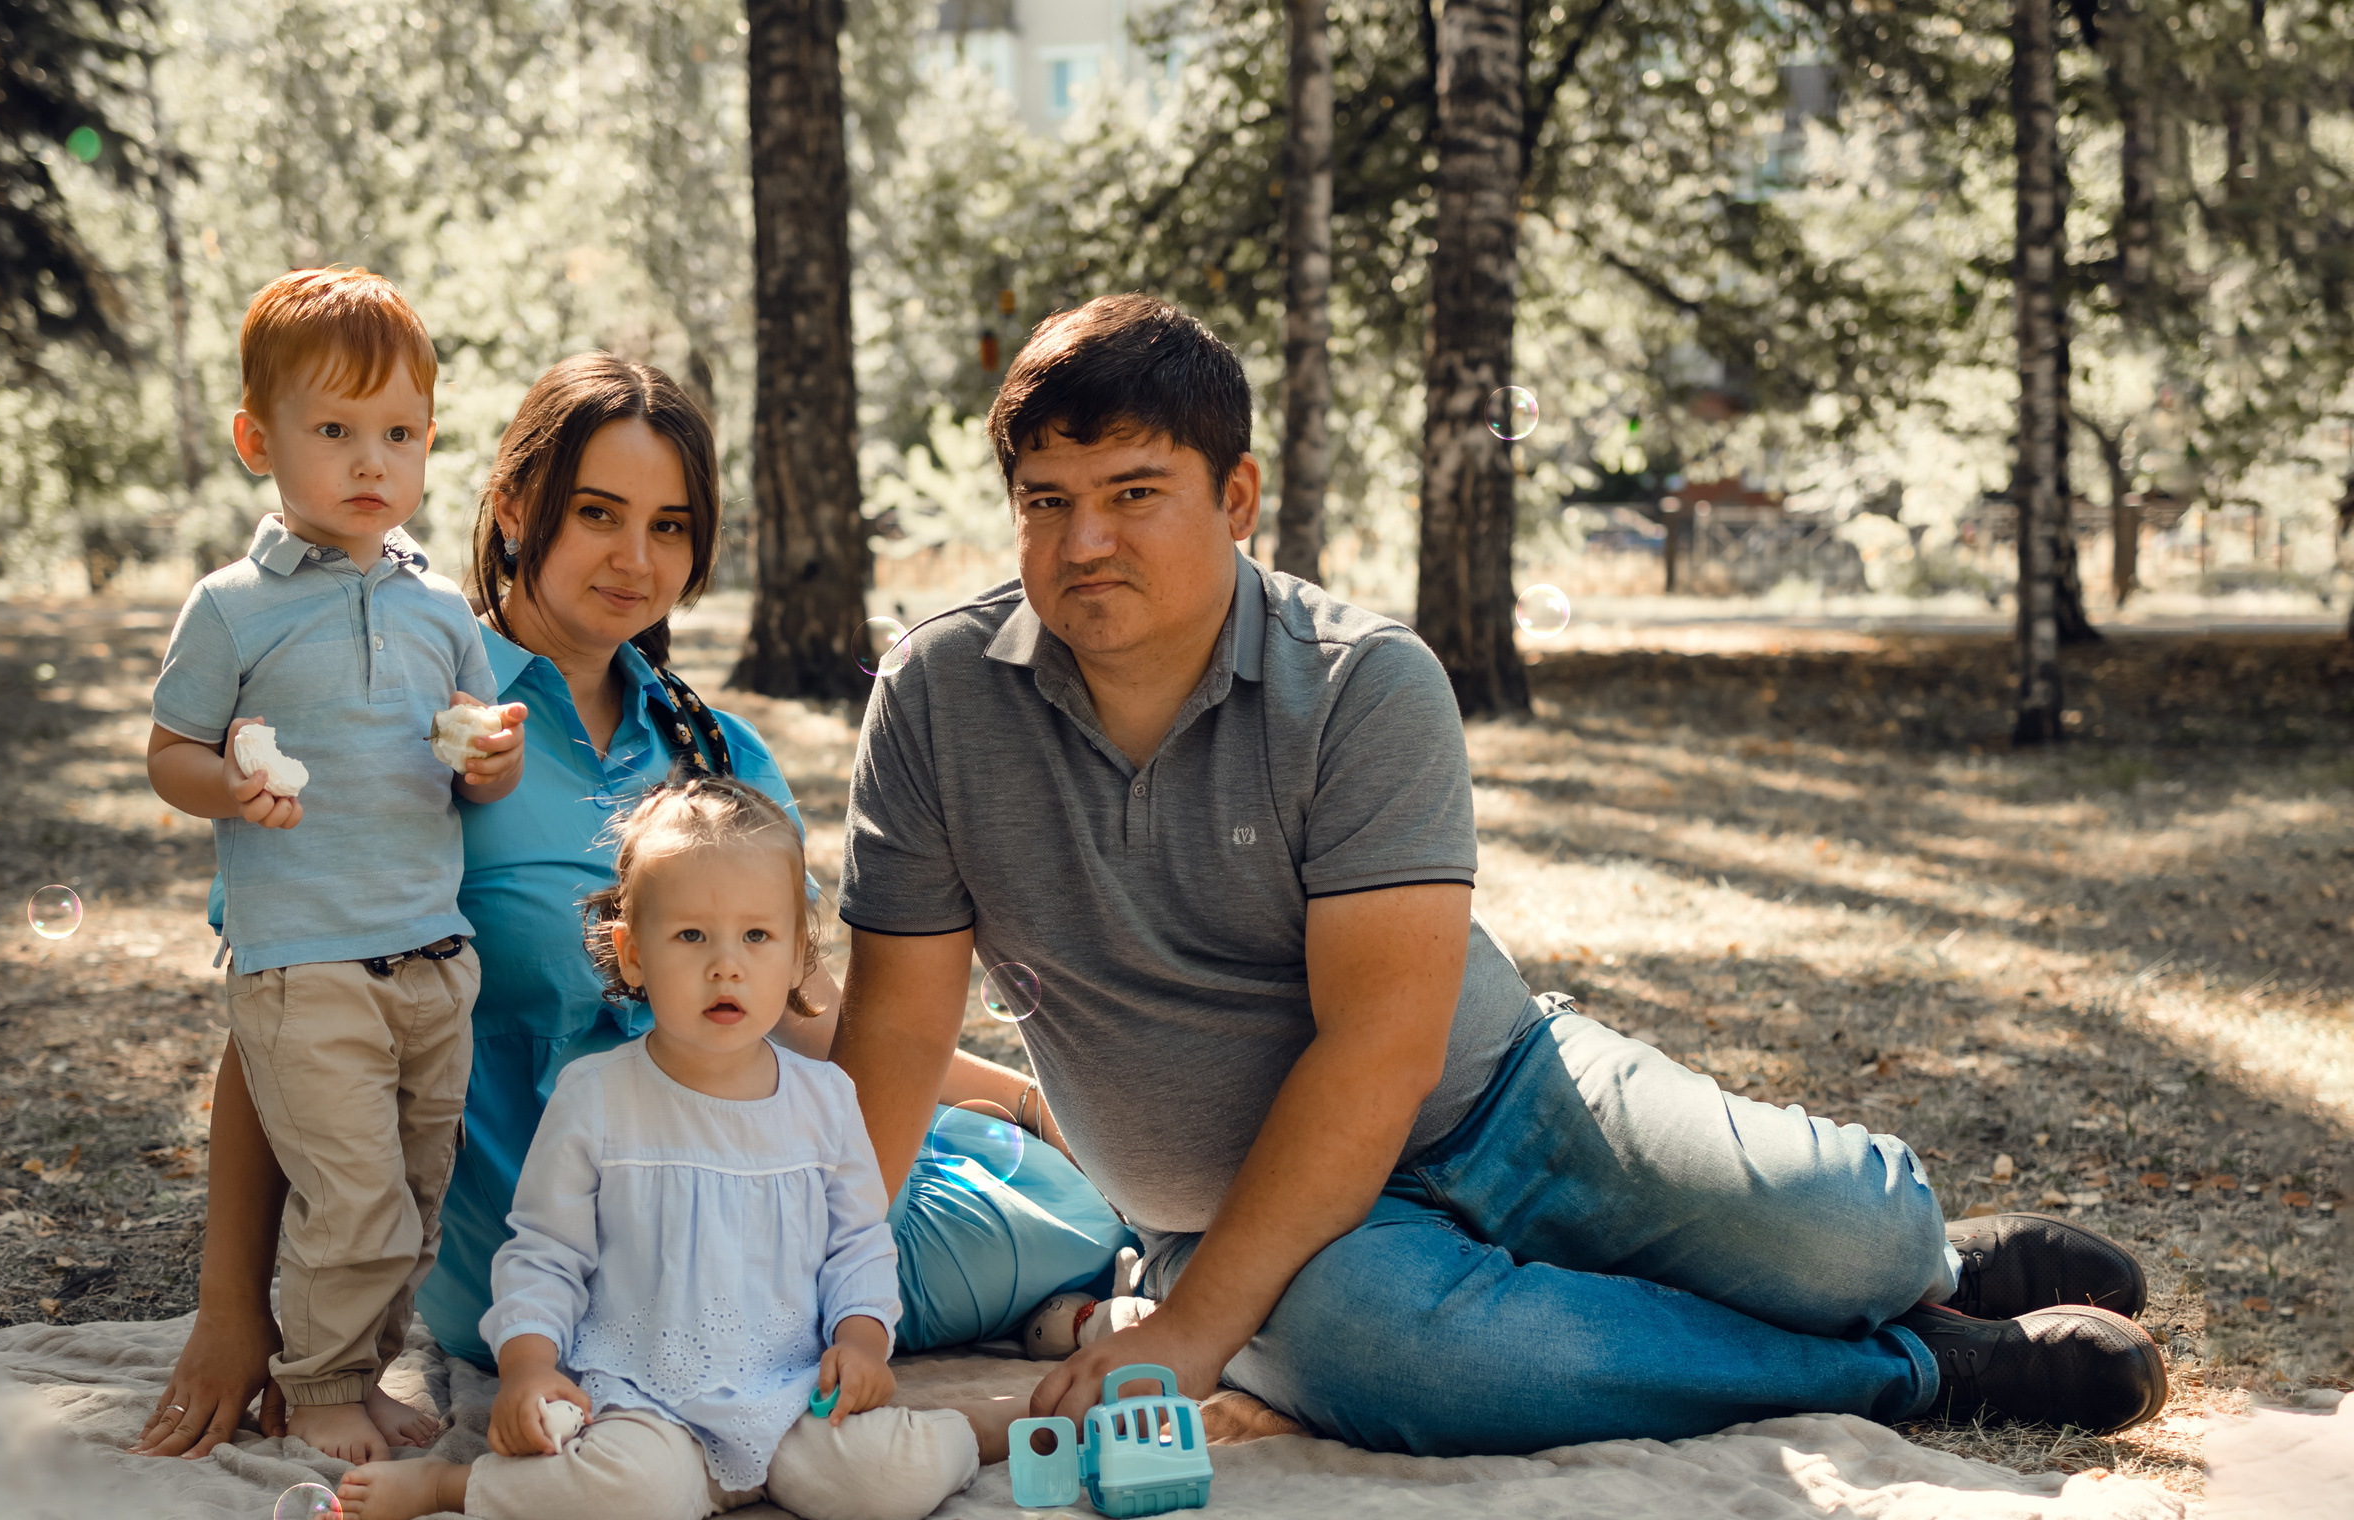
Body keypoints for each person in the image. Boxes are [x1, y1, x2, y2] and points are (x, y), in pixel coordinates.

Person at [829, 293, 2169, 1457]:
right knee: (1418, 1365)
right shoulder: (939, 696)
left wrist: (1187, 1337)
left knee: (1855, 1235)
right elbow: (894, 1027)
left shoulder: (1362, 680)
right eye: (1044, 503)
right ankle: (1920, 1364)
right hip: (1239, 1219)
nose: (1082, 547)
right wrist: (819, 1294)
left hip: (1503, 1100)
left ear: (1236, 498)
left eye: (1133, 494)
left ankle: (1926, 1270)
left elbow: (1379, 1047)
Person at [135, 353, 1129, 1460]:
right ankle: (1020, 1308)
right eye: (598, 514)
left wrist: (1021, 1100)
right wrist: (233, 1311)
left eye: (668, 526)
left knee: (1053, 1193)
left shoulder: (713, 752)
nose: (634, 559)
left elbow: (799, 1014)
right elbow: (282, 1014)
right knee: (1027, 1231)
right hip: (543, 1254)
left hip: (729, 1181)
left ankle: (1029, 1294)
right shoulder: (405, 723)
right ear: (513, 508)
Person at [330, 777, 1010, 1520]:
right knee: (629, 1501)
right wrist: (527, 1365)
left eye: (757, 936)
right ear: (633, 952)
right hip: (640, 1399)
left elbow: (857, 1246)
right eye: (691, 936)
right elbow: (545, 1256)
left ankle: (973, 1433)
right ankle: (454, 1487)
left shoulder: (825, 1099)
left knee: (888, 1476)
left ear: (798, 956)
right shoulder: (596, 1097)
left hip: (791, 1398)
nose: (727, 965)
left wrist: (860, 1341)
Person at [144, 268, 529, 1464]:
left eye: (401, 434)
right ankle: (312, 1387)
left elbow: (471, 763)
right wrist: (231, 787)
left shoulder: (440, 612)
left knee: (410, 1198)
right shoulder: (231, 609)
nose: (374, 462)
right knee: (350, 1197)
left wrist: (491, 763)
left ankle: (354, 1372)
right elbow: (169, 754)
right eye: (335, 431)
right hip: (303, 959)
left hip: (430, 952)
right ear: (259, 441)